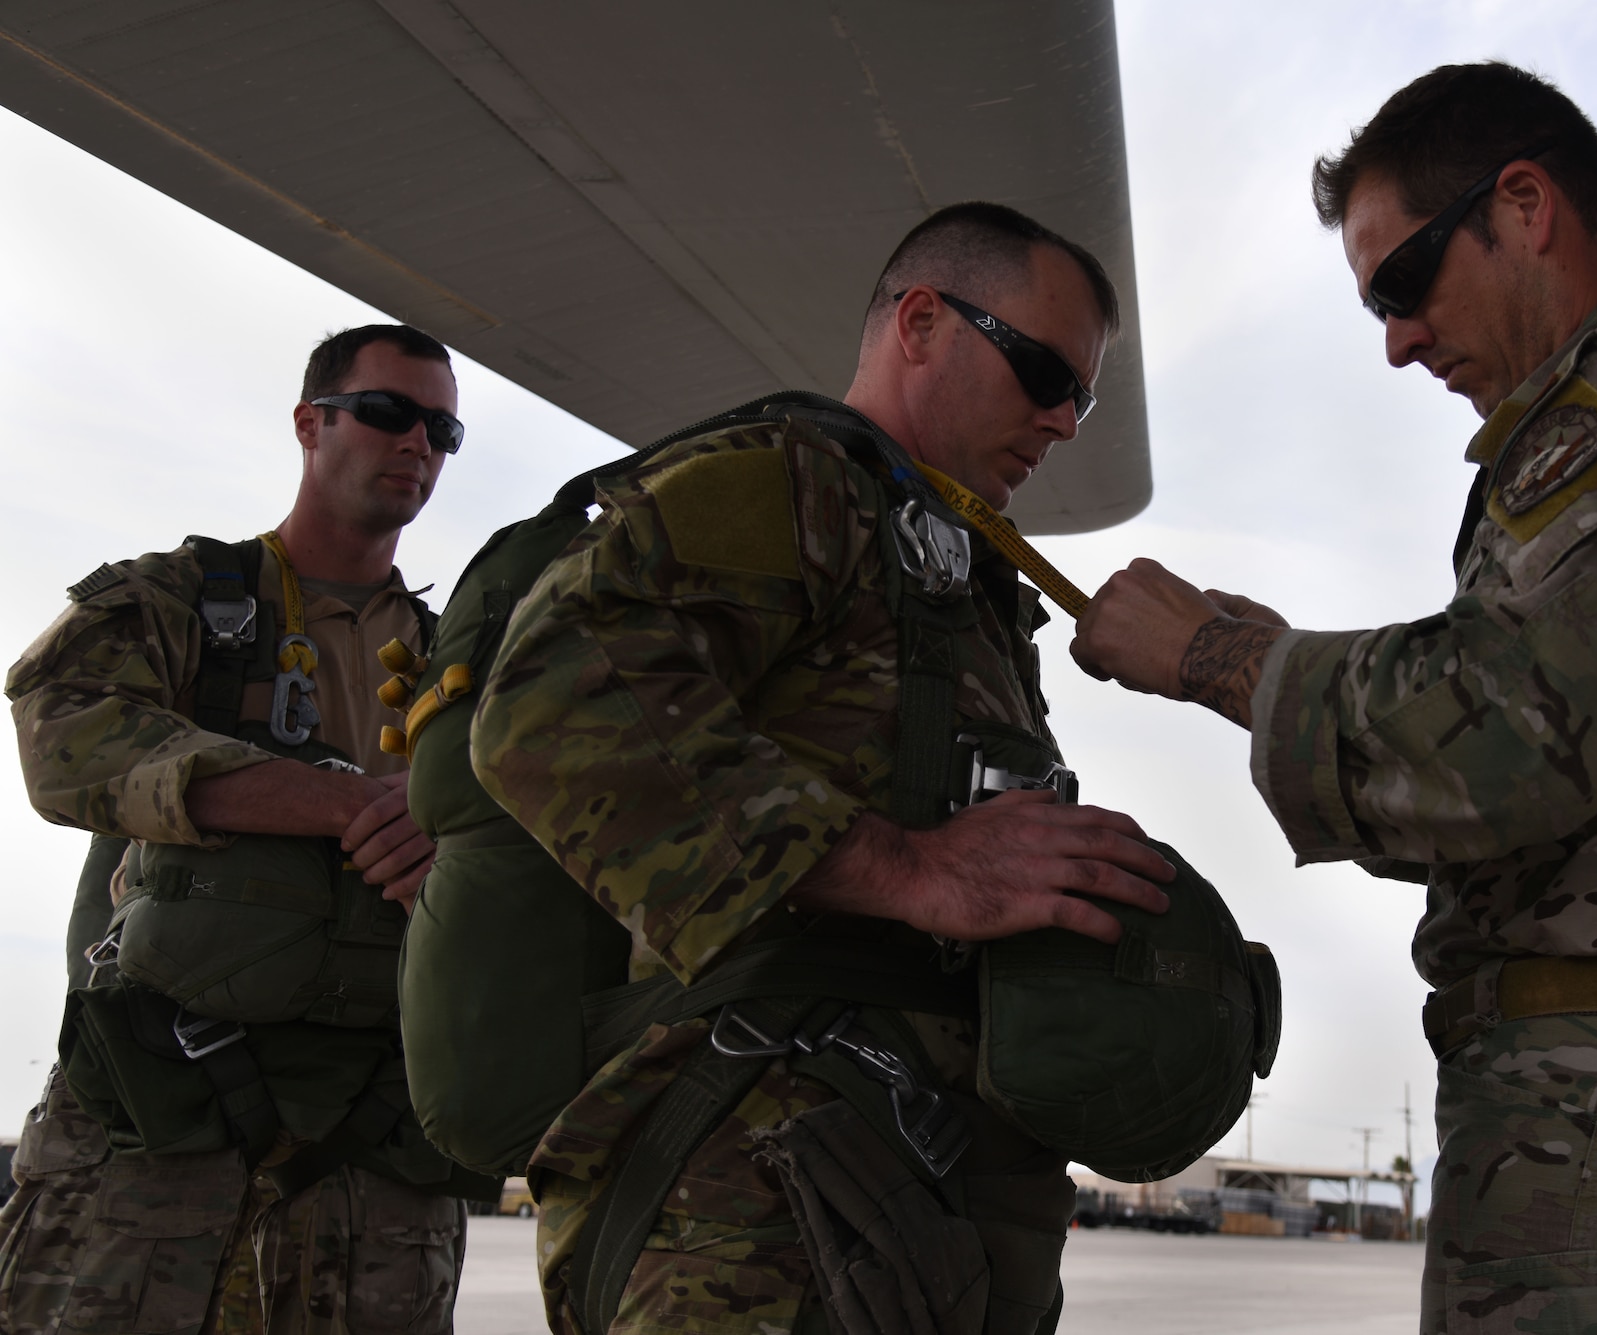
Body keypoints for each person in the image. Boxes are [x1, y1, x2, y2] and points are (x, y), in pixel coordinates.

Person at [1072, 63, 1597, 1335]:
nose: (1397, 342)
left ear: (1522, 206)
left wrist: (1222, 656)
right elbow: (1544, 800)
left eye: (1402, 285)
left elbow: (1517, 741)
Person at [469, 201, 1172, 1334]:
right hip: (756, 1202)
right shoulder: (791, 482)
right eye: (1043, 372)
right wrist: (905, 869)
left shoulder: (946, 569)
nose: (1062, 420)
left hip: (900, 1202)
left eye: (1078, 395)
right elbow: (549, 699)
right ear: (923, 322)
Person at [2, 324, 479, 1333]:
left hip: (375, 1139)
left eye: (442, 430)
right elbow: (65, 735)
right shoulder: (181, 603)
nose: (417, 447)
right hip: (158, 1122)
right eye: (389, 413)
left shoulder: (474, 668)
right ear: (312, 423)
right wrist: (348, 804)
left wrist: (455, 839)